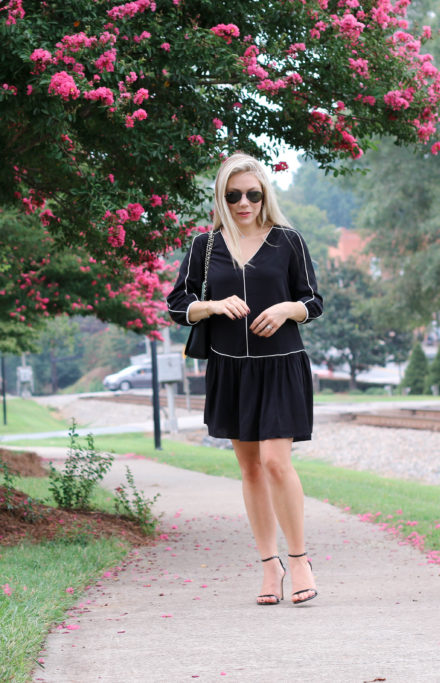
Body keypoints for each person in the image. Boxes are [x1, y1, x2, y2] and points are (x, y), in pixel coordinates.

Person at [166, 153, 323, 606]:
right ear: (221, 197)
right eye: (233, 195)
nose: (243, 203)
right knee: (250, 469)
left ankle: (299, 560)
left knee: (276, 462)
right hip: (230, 367)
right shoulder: (205, 246)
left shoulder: (287, 241)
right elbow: (179, 305)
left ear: (264, 195)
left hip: (281, 365)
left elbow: (312, 301)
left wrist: (286, 309)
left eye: (252, 194)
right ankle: (268, 566)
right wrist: (213, 306)